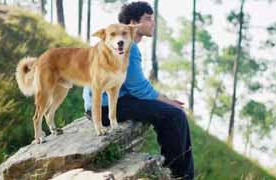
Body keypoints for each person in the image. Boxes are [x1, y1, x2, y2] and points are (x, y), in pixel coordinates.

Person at [83, 1, 194, 179]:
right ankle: (178, 175)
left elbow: (133, 85)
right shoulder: (128, 46)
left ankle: (178, 173)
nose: (153, 23)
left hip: (102, 104)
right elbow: (138, 88)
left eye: (153, 19)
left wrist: (164, 100)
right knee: (174, 115)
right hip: (106, 107)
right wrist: (167, 100)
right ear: (133, 24)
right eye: (148, 19)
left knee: (172, 113)